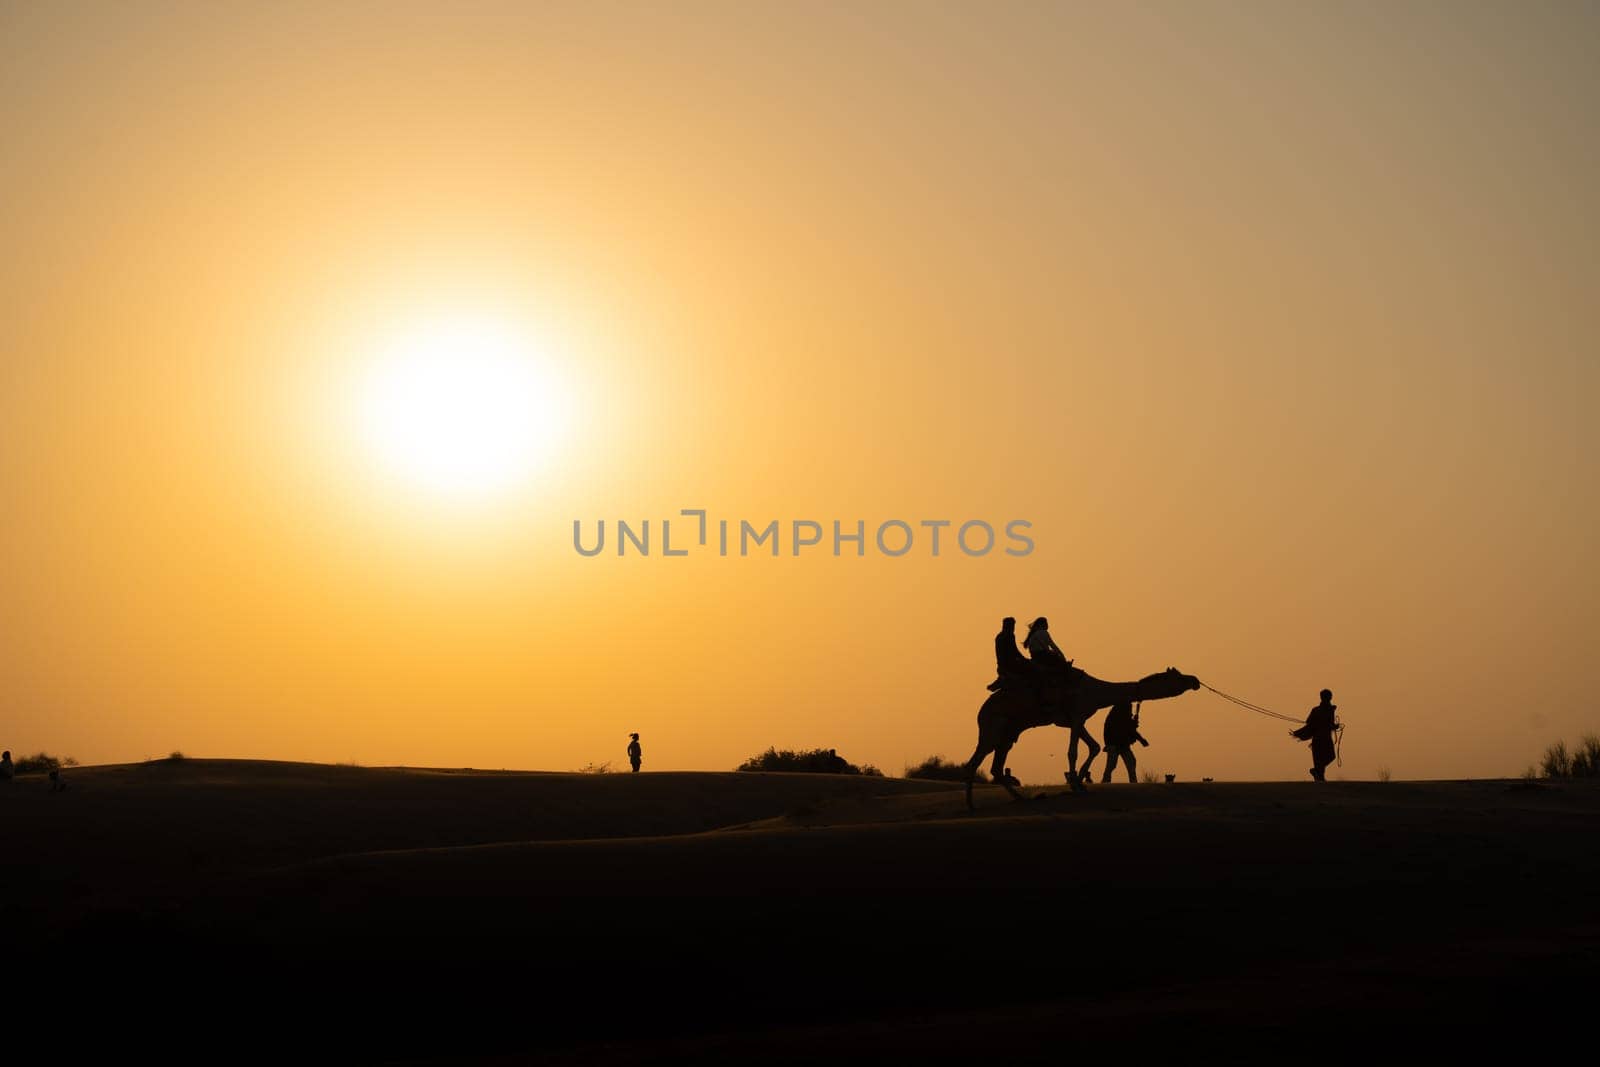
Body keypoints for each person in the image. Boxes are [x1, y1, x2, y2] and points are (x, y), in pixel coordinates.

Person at [1291, 689, 1340, 781]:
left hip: (1318, 739)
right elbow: (1329, 724)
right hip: (1324, 738)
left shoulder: (1317, 710)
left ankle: (1317, 772)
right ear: (1329, 697)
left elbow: (1309, 721)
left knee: (1321, 758)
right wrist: (1335, 726)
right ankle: (1318, 774)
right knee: (1329, 757)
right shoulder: (1329, 710)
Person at [1100, 702, 1149, 784]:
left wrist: (1133, 723)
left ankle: (1133, 783)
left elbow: (1129, 728)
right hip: (1115, 744)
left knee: (1130, 763)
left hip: (1122, 745)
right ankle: (1105, 783)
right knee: (1112, 765)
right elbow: (1130, 729)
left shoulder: (1117, 713)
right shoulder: (1118, 714)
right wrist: (1141, 739)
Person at [987, 617, 1030, 691]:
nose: (1013, 628)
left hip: (1002, 665)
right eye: (1012, 626)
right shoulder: (1009, 635)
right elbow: (1014, 651)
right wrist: (1025, 660)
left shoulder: (999, 636)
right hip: (1010, 664)